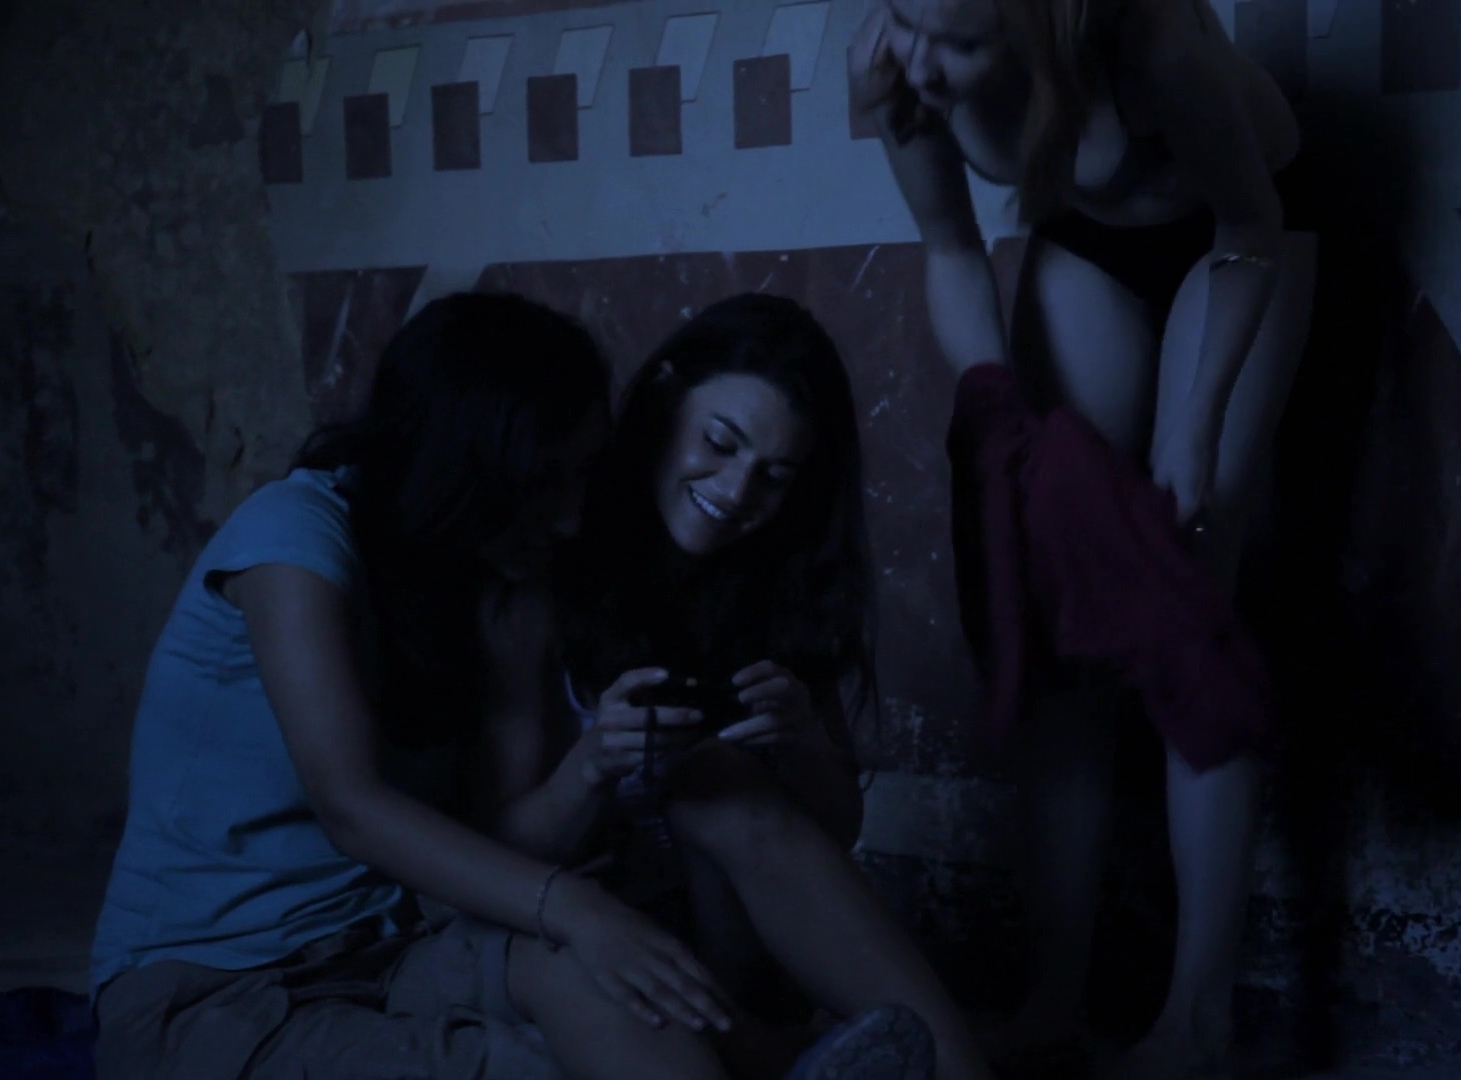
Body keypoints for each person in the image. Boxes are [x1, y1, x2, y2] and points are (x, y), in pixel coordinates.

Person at [85, 291, 921, 1080]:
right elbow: (351, 806)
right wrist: (578, 905)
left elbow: (504, 831)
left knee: (619, 986)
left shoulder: (470, 577)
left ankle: (808, 1058)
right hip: (213, 989)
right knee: (549, 1047)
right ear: (467, 468)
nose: (571, 517)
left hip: (396, 949)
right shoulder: (291, 537)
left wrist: (586, 910)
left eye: (581, 479)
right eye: (547, 483)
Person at [849, 0, 1320, 1076]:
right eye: (910, 22)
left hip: (1240, 241)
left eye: (960, 43)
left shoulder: (1149, 44)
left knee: (1184, 602)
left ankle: (1197, 1023)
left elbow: (1250, 223)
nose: (923, 63)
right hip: (1085, 246)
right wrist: (993, 404)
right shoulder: (889, 59)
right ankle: (1053, 998)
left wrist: (1195, 429)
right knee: (1061, 607)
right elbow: (950, 247)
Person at [481, 292, 998, 1080]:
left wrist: (803, 741)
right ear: (664, 399)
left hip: (727, 932)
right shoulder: (551, 554)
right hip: (576, 922)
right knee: (706, 782)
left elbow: (834, 828)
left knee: (717, 784)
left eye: (774, 477)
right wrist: (594, 763)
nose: (734, 490)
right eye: (719, 443)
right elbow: (495, 848)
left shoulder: (774, 579)